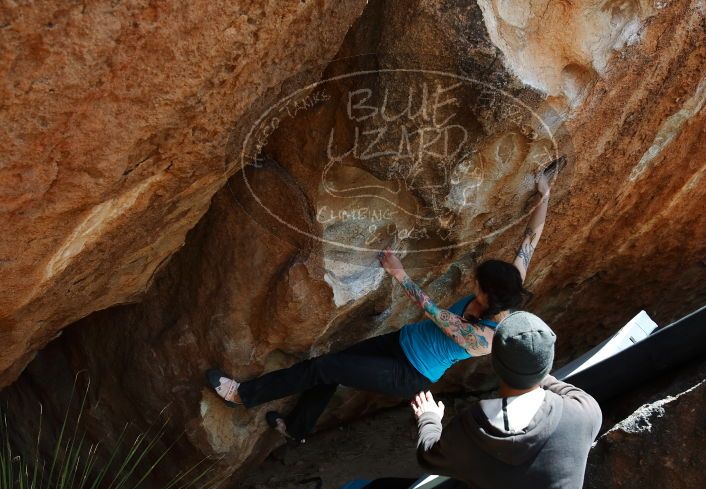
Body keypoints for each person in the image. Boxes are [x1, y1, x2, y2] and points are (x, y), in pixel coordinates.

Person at [206, 175, 552, 442]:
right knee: (331, 368)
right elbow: (531, 238)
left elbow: (432, 310)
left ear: (490, 296)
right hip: (400, 342)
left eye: (478, 285)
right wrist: (544, 194)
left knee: (325, 368)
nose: (472, 285)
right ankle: (298, 428)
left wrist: (399, 274)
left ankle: (243, 395)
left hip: (409, 374)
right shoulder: (509, 285)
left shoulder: (482, 338)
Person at [411, 311, 602, 489]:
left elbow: (428, 456)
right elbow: (565, 389)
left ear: (495, 364)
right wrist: (532, 366)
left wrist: (429, 418)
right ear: (547, 363)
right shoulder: (583, 413)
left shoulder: (470, 431)